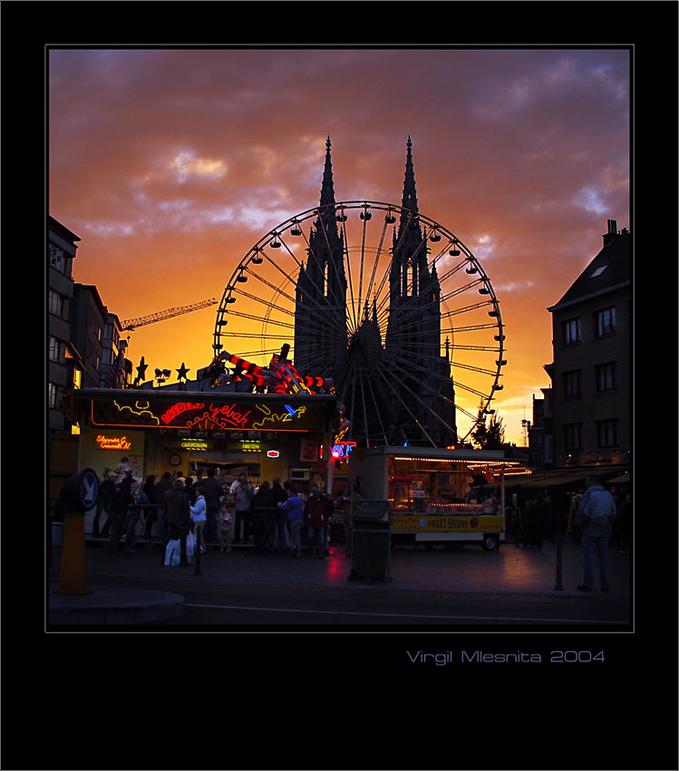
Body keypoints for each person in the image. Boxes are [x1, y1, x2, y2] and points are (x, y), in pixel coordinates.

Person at [576, 477, 617, 592]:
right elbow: (613, 513)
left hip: (591, 525)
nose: (585, 484)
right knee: (604, 557)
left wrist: (580, 525)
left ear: (591, 482)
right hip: (604, 526)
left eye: (587, 482)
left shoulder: (589, 494)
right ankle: (605, 584)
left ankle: (588, 584)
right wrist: (608, 524)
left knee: (588, 557)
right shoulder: (608, 495)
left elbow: (584, 512)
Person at [162, 479, 191, 566]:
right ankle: (182, 560)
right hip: (181, 520)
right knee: (182, 540)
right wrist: (188, 522)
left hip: (170, 519)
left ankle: (165, 558)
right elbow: (186, 510)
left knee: (168, 538)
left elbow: (165, 507)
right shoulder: (184, 495)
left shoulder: (167, 494)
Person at [107, 474, 133, 552]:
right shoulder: (127, 492)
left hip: (114, 511)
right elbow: (129, 501)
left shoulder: (117, 489)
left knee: (114, 531)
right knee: (119, 530)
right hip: (121, 512)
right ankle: (115, 546)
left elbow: (112, 498)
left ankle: (113, 546)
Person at [304, 486, 332, 558]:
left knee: (319, 538)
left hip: (318, 521)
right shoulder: (312, 500)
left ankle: (318, 553)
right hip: (315, 521)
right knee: (314, 537)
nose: (316, 493)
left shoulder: (320, 500)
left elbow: (329, 509)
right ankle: (316, 552)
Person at [201, 467, 223, 551]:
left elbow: (195, 486)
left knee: (205, 523)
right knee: (213, 523)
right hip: (214, 504)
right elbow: (221, 492)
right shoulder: (217, 483)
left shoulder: (204, 481)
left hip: (205, 504)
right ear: (214, 474)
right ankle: (213, 539)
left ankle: (205, 539)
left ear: (207, 473)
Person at [279, 484, 304, 558]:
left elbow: (284, 507)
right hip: (300, 519)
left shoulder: (290, 500)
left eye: (287, 492)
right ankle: (296, 549)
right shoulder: (299, 499)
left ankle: (296, 550)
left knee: (294, 535)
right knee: (296, 535)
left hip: (293, 519)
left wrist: (280, 504)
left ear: (290, 492)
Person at [124, 480, 150, 552]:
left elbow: (146, 500)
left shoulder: (139, 493)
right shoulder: (130, 493)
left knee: (130, 529)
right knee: (130, 529)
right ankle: (130, 545)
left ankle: (130, 545)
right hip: (129, 512)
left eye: (133, 486)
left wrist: (137, 501)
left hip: (134, 512)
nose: (132, 487)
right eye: (131, 486)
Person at [251, 481, 274, 553]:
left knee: (257, 533)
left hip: (256, 517)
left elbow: (251, 506)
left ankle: (257, 546)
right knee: (264, 532)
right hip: (265, 517)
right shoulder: (268, 497)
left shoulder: (255, 497)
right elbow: (271, 506)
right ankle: (262, 546)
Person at [231, 474, 253, 544]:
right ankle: (236, 538)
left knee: (246, 525)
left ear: (246, 479)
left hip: (246, 508)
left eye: (243, 479)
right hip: (238, 507)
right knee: (237, 525)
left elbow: (251, 496)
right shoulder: (237, 487)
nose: (242, 480)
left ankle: (245, 539)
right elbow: (234, 495)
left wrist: (244, 489)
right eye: (241, 479)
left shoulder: (250, 486)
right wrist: (235, 498)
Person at [93, 472, 116, 538]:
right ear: (111, 477)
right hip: (104, 500)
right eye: (114, 477)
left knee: (99, 515)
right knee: (110, 516)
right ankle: (103, 532)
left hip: (103, 500)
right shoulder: (110, 484)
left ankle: (97, 533)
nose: (114, 478)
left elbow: (100, 490)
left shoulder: (107, 483)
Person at [270, 478, 289, 552]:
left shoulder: (271, 491)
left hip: (272, 512)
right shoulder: (283, 492)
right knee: (281, 529)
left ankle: (273, 545)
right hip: (281, 512)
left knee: (272, 529)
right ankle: (282, 545)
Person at [154, 472, 173, 544]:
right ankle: (167, 538)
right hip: (168, 506)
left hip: (159, 505)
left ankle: (161, 539)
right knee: (167, 523)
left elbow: (156, 494)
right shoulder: (170, 486)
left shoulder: (158, 485)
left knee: (161, 523)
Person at [190, 485, 207, 554]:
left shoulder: (201, 501)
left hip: (200, 520)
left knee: (197, 534)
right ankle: (201, 548)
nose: (195, 493)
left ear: (199, 492)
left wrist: (190, 507)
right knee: (198, 534)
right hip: (200, 519)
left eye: (196, 491)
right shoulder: (202, 500)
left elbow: (196, 511)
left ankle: (201, 548)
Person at [142, 474, 158, 541]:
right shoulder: (151, 487)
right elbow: (153, 496)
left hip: (147, 506)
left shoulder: (146, 487)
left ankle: (146, 534)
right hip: (151, 506)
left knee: (148, 521)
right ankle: (147, 534)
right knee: (149, 521)